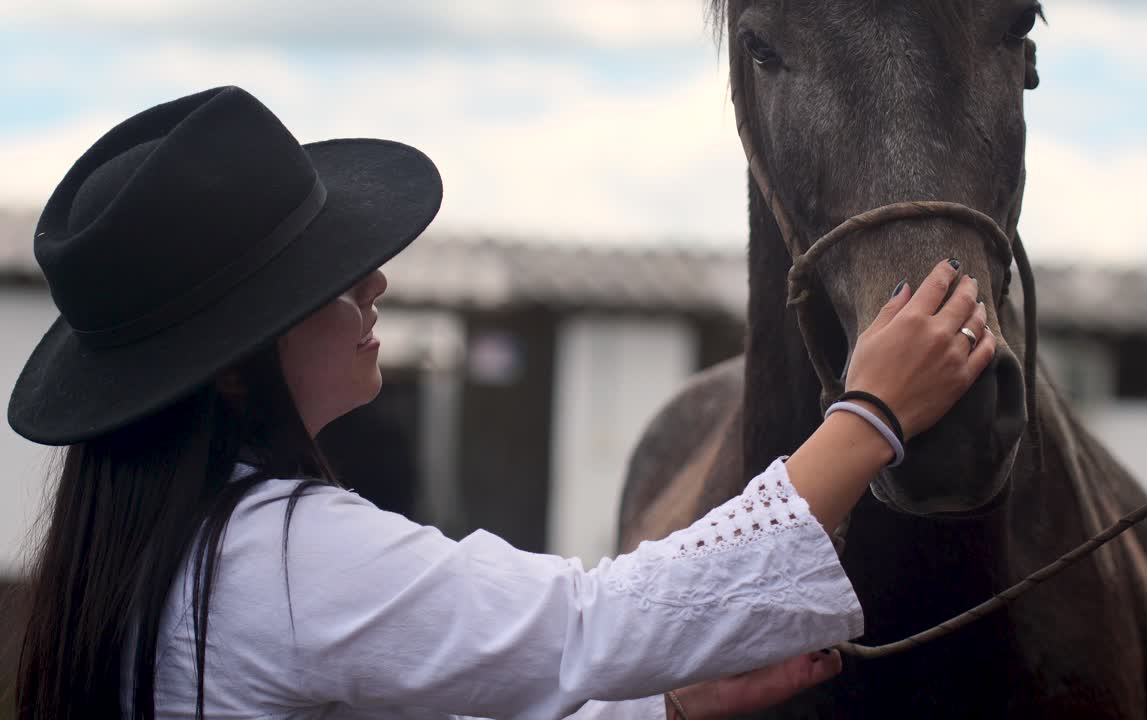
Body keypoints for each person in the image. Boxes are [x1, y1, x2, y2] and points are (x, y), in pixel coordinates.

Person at [8, 87, 993, 720]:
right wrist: (867, 415)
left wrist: (669, 711)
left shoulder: (169, 555)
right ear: (231, 368)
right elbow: (589, 625)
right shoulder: (278, 557)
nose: (374, 287)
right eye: (323, 282)